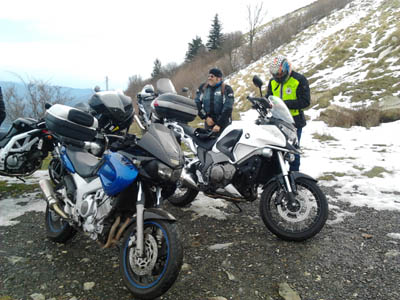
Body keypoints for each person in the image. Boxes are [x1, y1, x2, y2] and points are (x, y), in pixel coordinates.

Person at [265, 55, 310, 172]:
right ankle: (278, 178)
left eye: (280, 74)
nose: (278, 77)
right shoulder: (272, 82)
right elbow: (268, 97)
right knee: (276, 150)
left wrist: (284, 104)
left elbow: (305, 101)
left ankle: (294, 176)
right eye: (275, 75)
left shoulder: (299, 80)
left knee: (293, 151)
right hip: (277, 121)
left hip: (294, 121)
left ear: (286, 70)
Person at [195, 68, 234, 133]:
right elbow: (197, 103)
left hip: (224, 123)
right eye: (209, 76)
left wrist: (219, 124)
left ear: (218, 78)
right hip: (209, 123)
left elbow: (228, 107)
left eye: (212, 76)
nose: (209, 78)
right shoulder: (203, 88)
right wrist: (206, 117)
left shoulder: (226, 89)